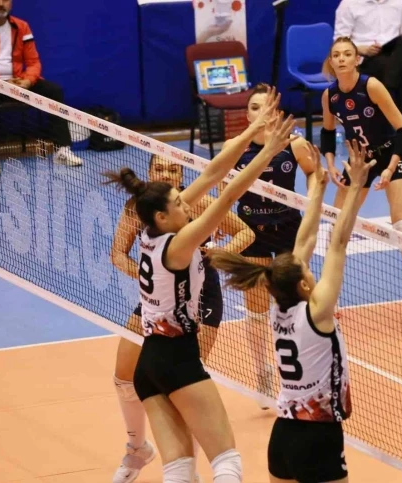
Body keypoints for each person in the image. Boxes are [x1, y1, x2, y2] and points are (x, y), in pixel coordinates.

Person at [103, 88, 296, 483]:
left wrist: (253, 129)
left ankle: (141, 452)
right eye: (178, 202)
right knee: (226, 462)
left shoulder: (151, 232)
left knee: (179, 467)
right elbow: (229, 190)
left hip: (150, 363)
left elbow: (211, 174)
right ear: (163, 216)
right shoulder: (180, 243)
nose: (185, 203)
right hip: (178, 358)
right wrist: (267, 151)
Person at [210, 140, 372, 483]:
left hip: (282, 435)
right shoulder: (319, 313)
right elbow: (338, 242)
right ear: (303, 285)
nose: (311, 271)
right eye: (308, 273)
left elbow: (305, 241)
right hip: (319, 435)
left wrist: (318, 189)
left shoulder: (278, 310)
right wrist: (355, 186)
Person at [109, 154, 255, 483]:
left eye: (173, 169)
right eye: (160, 168)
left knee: (184, 392)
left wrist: (217, 255)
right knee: (124, 377)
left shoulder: (191, 205)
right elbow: (117, 254)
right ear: (150, 172)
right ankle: (138, 448)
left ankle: (187, 470)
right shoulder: (143, 211)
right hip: (159, 303)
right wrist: (151, 278)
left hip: (198, 301)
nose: (166, 173)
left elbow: (244, 232)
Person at [320, 37, 402, 332]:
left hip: (388, 155)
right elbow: (327, 132)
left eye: (347, 54)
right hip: (359, 163)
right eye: (336, 55)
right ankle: (331, 302)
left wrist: (391, 167)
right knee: (335, 230)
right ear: (331, 61)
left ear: (357, 59)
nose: (341, 59)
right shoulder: (329, 96)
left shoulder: (371, 86)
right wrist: (330, 163)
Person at [222, 83, 316, 407]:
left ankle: (300, 368)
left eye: (268, 107)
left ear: (277, 113)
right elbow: (222, 187)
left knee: (296, 299)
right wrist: (222, 224)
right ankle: (262, 370)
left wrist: (312, 200)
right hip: (252, 231)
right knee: (257, 306)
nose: (261, 112)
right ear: (247, 115)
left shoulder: (295, 144)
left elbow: (313, 172)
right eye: (254, 107)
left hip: (288, 229)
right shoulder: (235, 147)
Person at [0, 0, 83, 175]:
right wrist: (0, 83)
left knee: (54, 91)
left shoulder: (22, 27)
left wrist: (28, 81)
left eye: (5, 0)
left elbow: (33, 62)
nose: (1, 3)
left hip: (18, 82)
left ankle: (62, 150)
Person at [334, 0, 402, 156]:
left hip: (393, 54)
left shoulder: (398, 2)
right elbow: (340, 42)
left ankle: (387, 89)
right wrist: (361, 49)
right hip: (365, 58)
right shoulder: (348, 4)